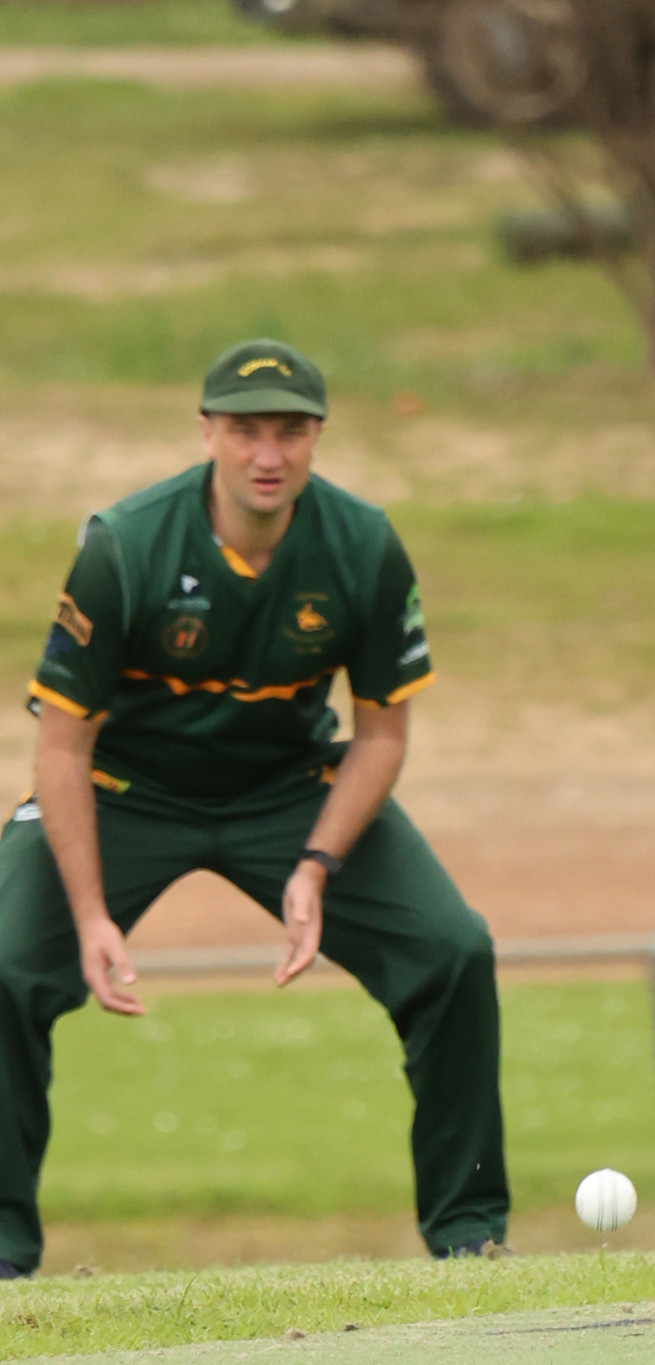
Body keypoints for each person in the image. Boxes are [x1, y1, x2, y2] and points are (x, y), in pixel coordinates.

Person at [0, 340, 509, 1278]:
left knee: (452, 950)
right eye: (245, 431)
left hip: (289, 792)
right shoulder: (125, 543)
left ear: (317, 436)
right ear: (208, 434)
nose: (267, 454)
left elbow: (383, 734)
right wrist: (87, 915)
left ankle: (469, 1233)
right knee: (2, 968)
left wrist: (314, 866)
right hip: (121, 790)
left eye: (291, 430)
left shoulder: (362, 544)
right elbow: (62, 744)